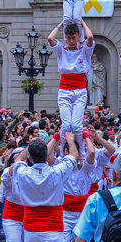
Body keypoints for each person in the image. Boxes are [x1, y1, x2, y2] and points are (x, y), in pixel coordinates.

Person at [48, 20, 94, 150]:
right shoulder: (61, 50)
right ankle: (64, 151)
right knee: (67, 125)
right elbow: (50, 38)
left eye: (74, 37)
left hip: (80, 90)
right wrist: (61, 24)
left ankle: (81, 154)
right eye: (68, 38)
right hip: (64, 90)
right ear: (65, 37)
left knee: (77, 125)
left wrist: (83, 23)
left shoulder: (84, 50)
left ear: (79, 36)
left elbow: (90, 37)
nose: (71, 41)